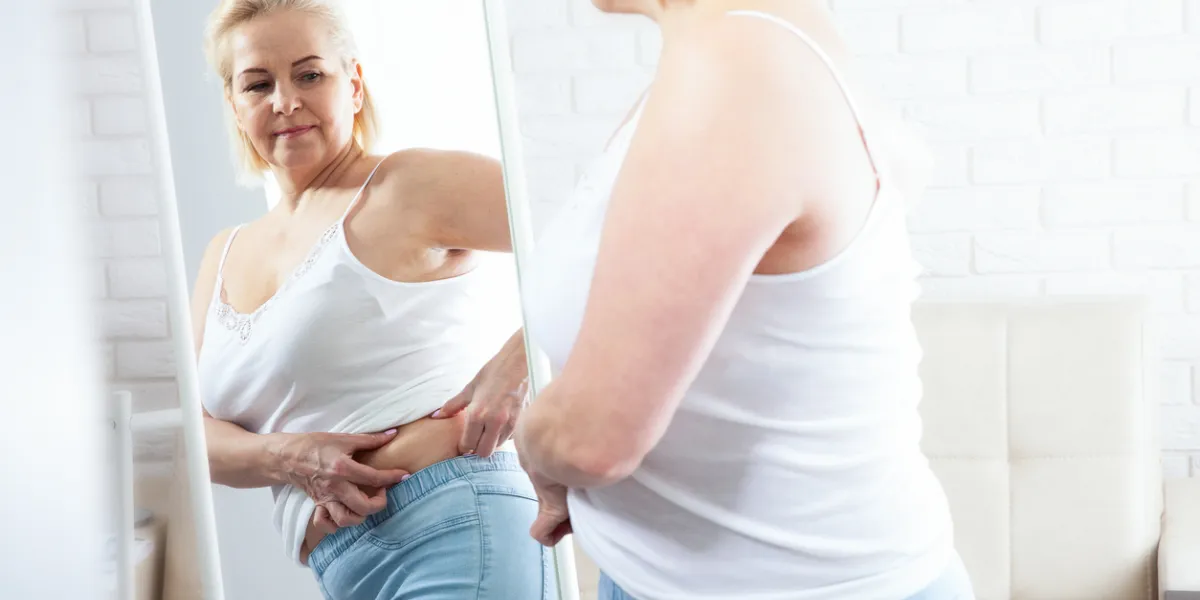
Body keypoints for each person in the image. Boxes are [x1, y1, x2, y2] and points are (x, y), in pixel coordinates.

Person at [513, 1, 975, 599]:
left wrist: (536, 445)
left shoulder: (738, 67)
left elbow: (590, 443)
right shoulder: (728, 54)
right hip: (658, 578)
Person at [191, 1, 553, 598]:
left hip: (454, 522)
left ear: (353, 85)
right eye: (258, 84)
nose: (285, 100)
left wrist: (519, 365)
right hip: (342, 564)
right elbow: (197, 437)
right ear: (234, 105)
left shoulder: (407, 186)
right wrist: (289, 455)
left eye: (310, 74)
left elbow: (610, 237)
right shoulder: (224, 254)